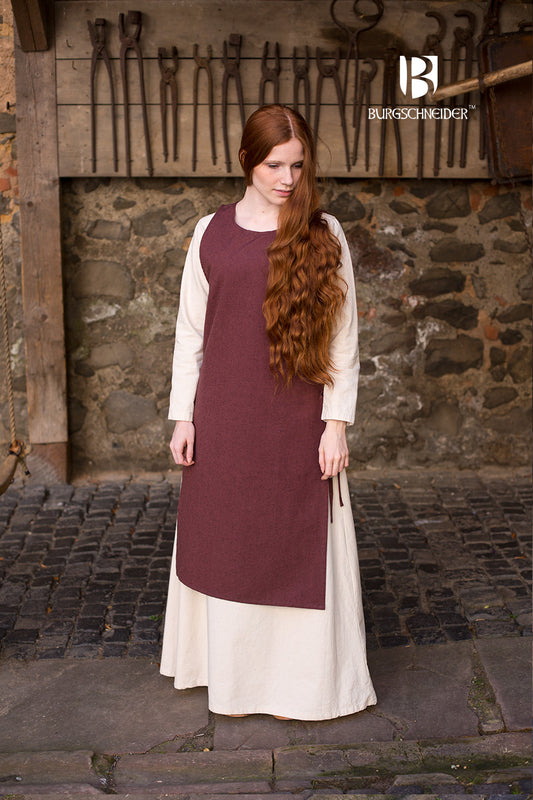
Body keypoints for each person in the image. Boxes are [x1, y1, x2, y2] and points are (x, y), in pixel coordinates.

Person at [160, 104, 376, 720]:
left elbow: (343, 336)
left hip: (298, 418)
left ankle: (298, 688)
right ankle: (234, 681)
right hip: (225, 415)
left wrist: (336, 423)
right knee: (227, 543)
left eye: (298, 166)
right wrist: (183, 416)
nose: (288, 179)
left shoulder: (324, 233)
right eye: (275, 165)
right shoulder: (210, 232)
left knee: (294, 545)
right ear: (246, 162)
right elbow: (190, 332)